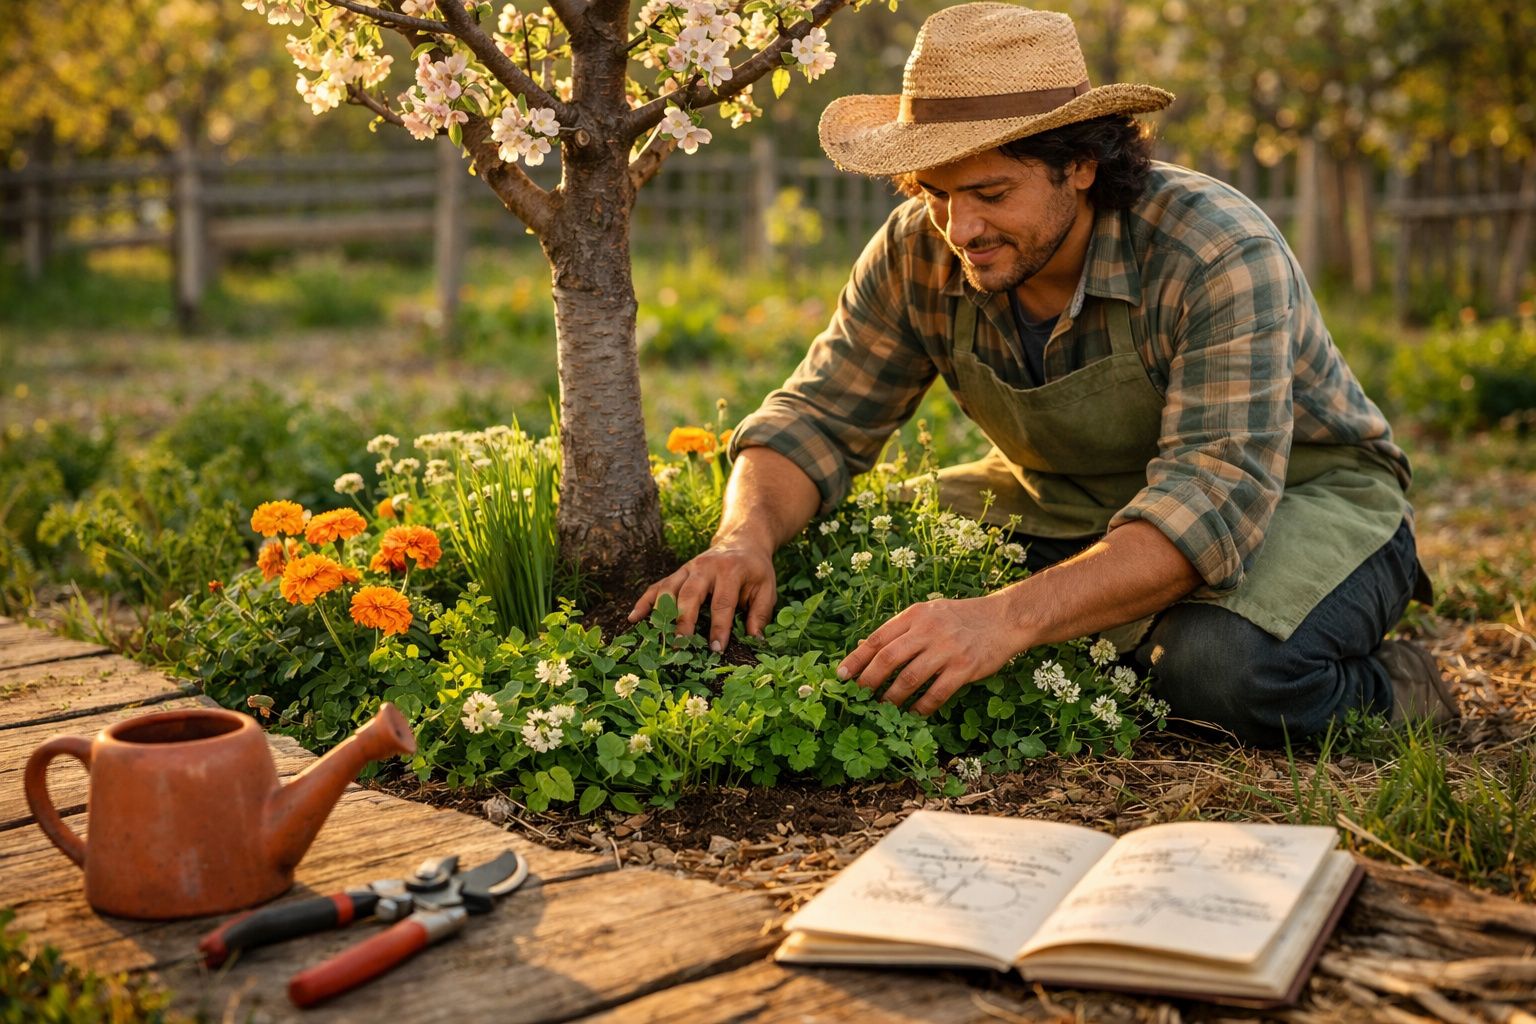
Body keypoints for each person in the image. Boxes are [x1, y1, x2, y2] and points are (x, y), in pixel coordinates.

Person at [630, 2, 1458, 744]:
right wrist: (743, 540)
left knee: (1215, 670)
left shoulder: (1213, 250)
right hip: (1060, 495)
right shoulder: (918, 246)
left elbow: (1211, 498)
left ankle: (1405, 689)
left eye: (991, 191)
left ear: (1082, 164)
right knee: (837, 558)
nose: (962, 227)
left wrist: (1005, 620)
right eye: (936, 192)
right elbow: (819, 417)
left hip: (1296, 496)